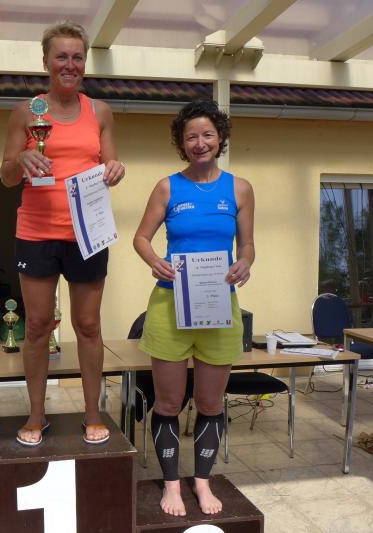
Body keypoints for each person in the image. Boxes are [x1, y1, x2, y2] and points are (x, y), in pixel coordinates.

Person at [0, 21, 126, 446]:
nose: (69, 65)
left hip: (88, 234)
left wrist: (116, 169)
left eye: (77, 57)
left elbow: (110, 167)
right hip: (36, 232)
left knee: (88, 325)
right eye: (61, 56)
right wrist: (21, 160)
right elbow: (5, 176)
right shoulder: (26, 112)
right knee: (37, 325)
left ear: (84, 63)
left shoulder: (100, 112)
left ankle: (92, 413)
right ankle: (36, 415)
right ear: (46, 62)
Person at [133, 100, 255, 516]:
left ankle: (202, 482)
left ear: (220, 138)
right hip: (170, 303)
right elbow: (141, 238)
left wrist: (245, 263)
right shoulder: (167, 187)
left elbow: (247, 244)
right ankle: (171, 485)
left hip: (219, 304)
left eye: (207, 134)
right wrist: (154, 260)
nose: (199, 143)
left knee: (210, 403)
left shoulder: (240, 189)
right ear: (181, 144)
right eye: (191, 137)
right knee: (168, 403)